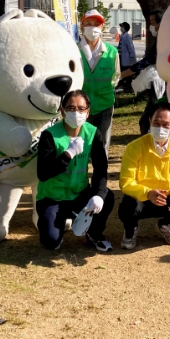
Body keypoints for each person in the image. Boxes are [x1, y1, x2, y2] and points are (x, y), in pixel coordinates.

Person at [35, 90, 114, 251]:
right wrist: (68, 154)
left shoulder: (92, 132)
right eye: (70, 108)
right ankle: (50, 222)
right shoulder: (49, 135)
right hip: (52, 198)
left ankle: (93, 234)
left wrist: (98, 195)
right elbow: (42, 174)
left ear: (87, 112)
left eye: (81, 108)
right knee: (51, 242)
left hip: (79, 194)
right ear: (62, 111)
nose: (76, 112)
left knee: (107, 196)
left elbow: (100, 168)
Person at [118, 102, 170, 248]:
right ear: (150, 121)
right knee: (127, 207)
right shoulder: (134, 147)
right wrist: (147, 193)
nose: (160, 128)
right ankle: (130, 229)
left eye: (166, 125)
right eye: (156, 123)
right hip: (143, 199)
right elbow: (126, 182)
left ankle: (167, 226)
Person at [78, 9, 120, 152]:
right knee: (79, 146)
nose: (93, 27)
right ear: (82, 26)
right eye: (88, 23)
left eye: (97, 24)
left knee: (102, 146)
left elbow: (116, 77)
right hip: (79, 106)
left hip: (104, 105)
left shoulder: (112, 52)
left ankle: (100, 174)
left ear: (102, 27)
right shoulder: (74, 50)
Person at [122, 10, 164, 135]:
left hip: (162, 84)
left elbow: (149, 60)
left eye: (152, 22)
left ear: (160, 24)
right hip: (159, 83)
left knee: (149, 118)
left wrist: (125, 73)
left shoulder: (165, 40)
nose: (150, 26)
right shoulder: (162, 39)